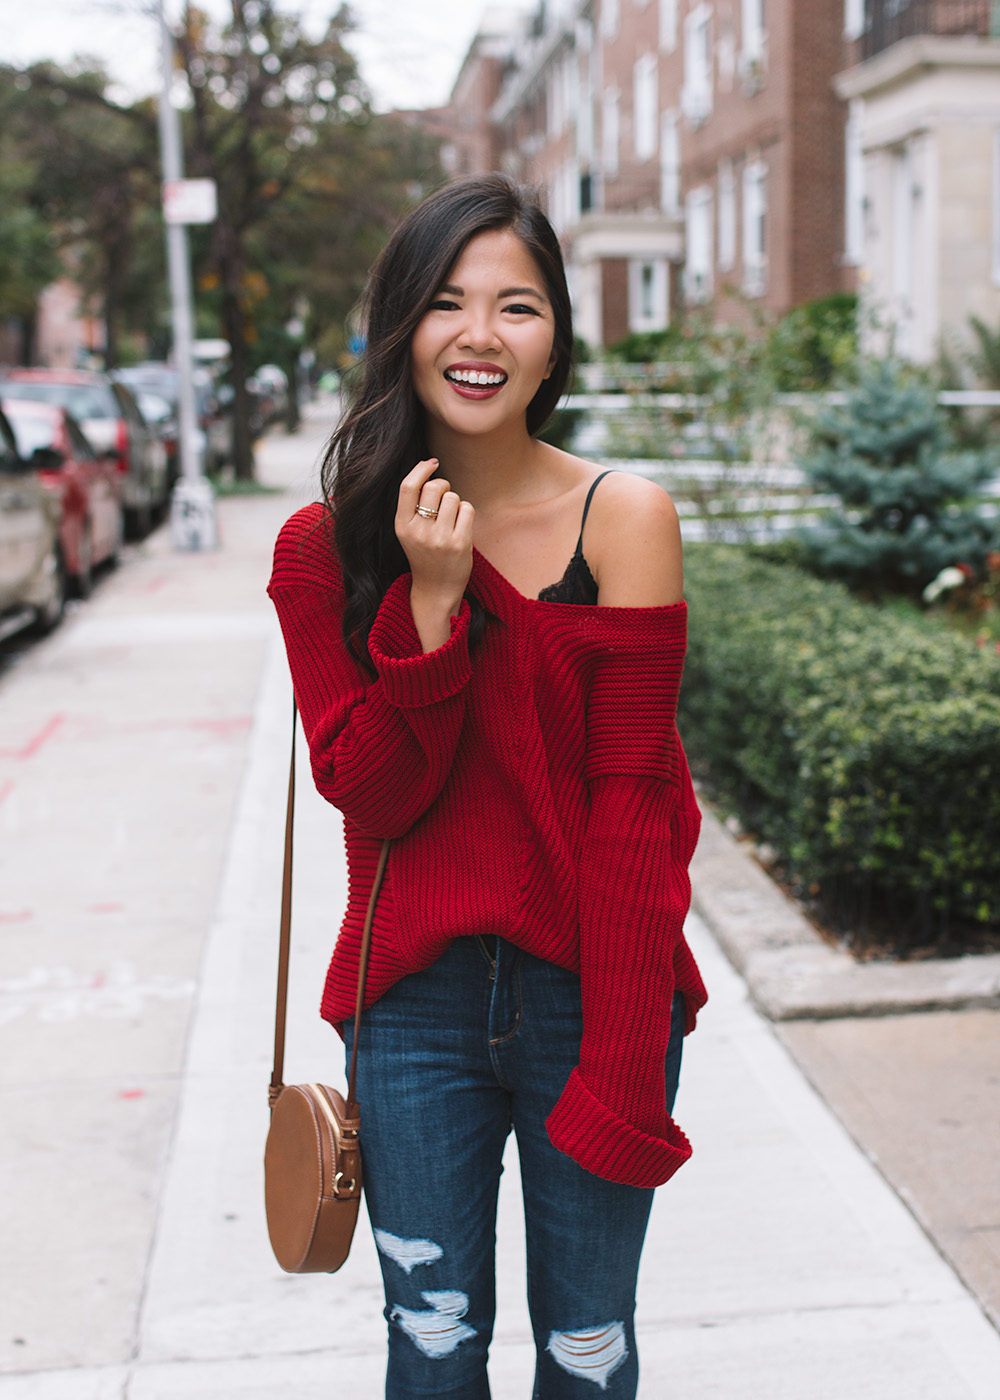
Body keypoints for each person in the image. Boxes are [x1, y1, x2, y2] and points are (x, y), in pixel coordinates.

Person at [268, 173, 707, 1400]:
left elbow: (634, 809)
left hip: (591, 993)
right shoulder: (322, 550)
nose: (480, 335)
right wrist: (428, 603)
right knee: (432, 1343)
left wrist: (623, 1056)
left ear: (554, 338)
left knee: (587, 1346)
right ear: (400, 325)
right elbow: (374, 796)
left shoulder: (623, 518)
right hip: (412, 1004)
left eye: (517, 305)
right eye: (446, 302)